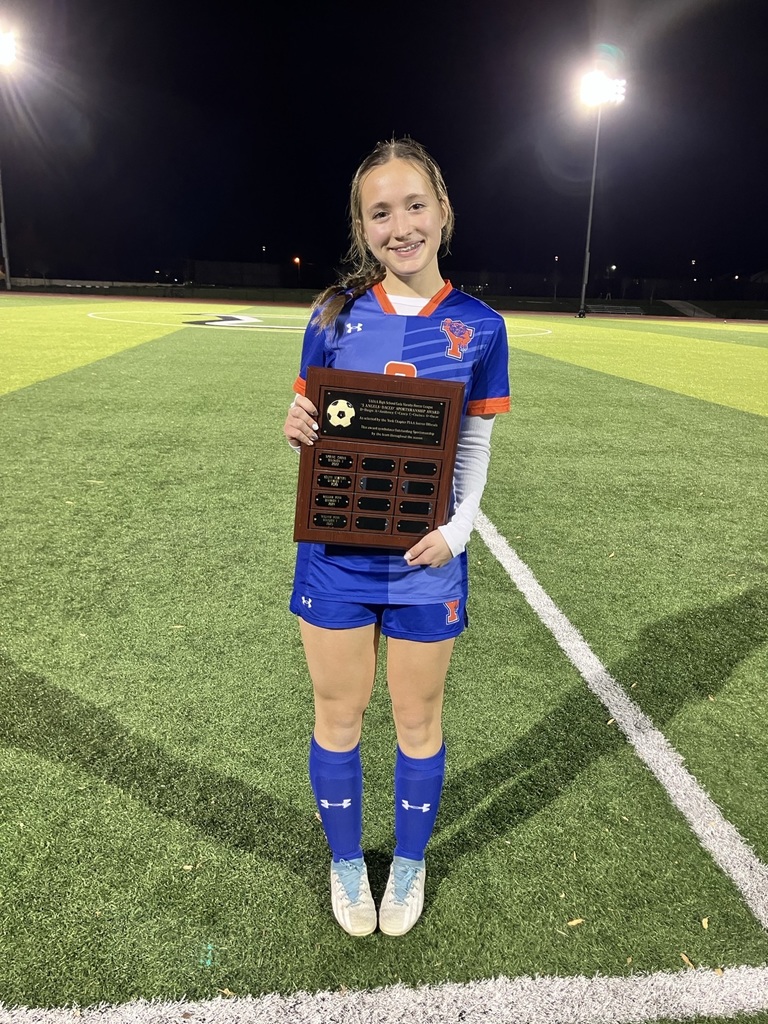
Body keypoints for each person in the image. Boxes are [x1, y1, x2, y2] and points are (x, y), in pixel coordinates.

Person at [283, 137, 510, 937]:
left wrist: (458, 530)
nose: (400, 225)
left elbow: (476, 443)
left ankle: (406, 865)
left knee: (419, 718)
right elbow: (313, 420)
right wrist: (298, 426)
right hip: (337, 555)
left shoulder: (479, 326)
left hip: (426, 560)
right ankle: (349, 863)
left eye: (415, 205)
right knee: (338, 712)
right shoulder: (334, 313)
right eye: (380, 212)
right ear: (361, 225)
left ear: (443, 211)